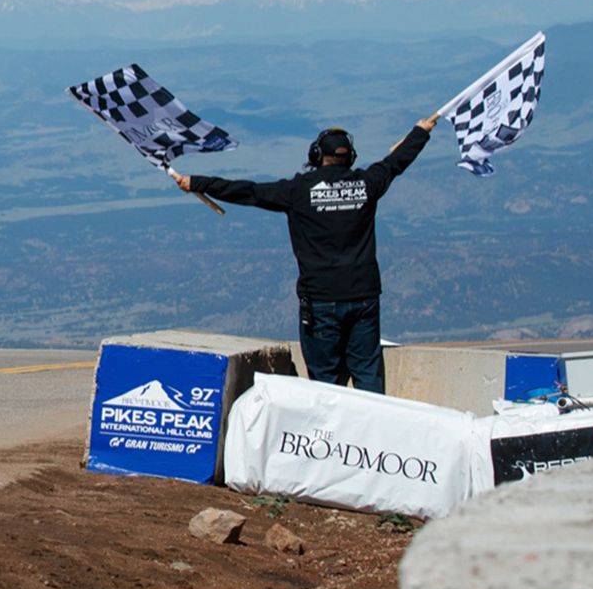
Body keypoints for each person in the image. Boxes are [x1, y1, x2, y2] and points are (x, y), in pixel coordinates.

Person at [170, 115, 440, 393]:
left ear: (316, 155)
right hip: (364, 296)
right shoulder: (367, 184)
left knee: (326, 383)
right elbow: (396, 163)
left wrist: (199, 182)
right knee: (368, 375)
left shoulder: (298, 191)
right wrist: (420, 131)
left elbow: (248, 192)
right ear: (350, 158)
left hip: (321, 300)